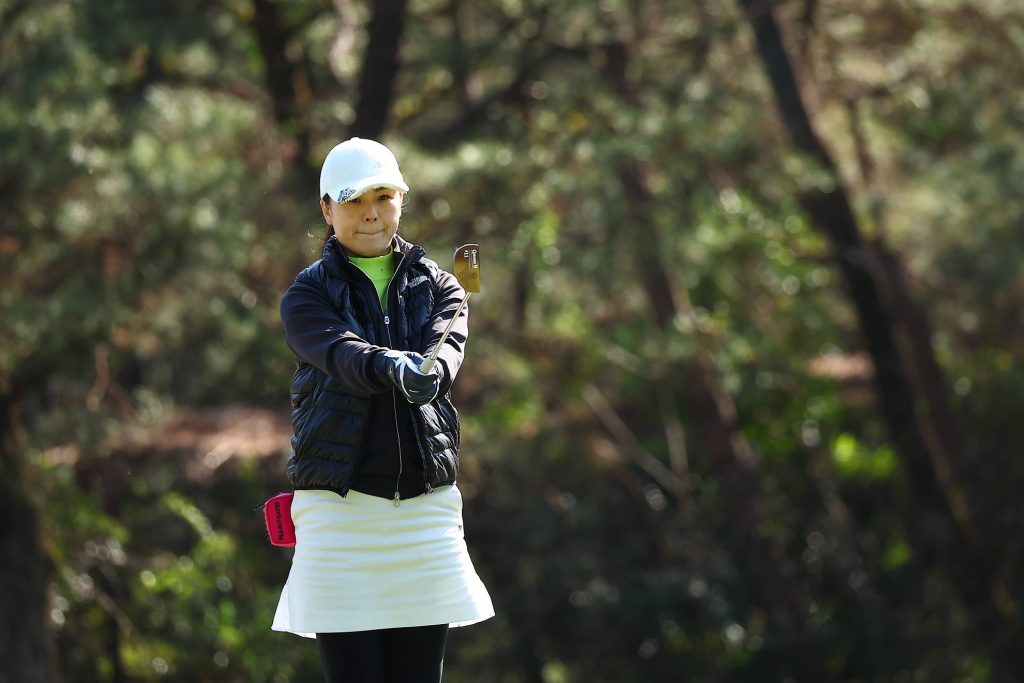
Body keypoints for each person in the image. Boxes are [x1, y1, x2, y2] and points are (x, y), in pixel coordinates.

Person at [271, 137, 494, 683]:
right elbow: (341, 354)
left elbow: (447, 345)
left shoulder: (443, 285)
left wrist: (432, 371)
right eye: (353, 200)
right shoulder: (306, 296)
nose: (370, 212)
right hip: (339, 517)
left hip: (424, 515)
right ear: (327, 209)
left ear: (401, 201)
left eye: (383, 196)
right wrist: (393, 366)